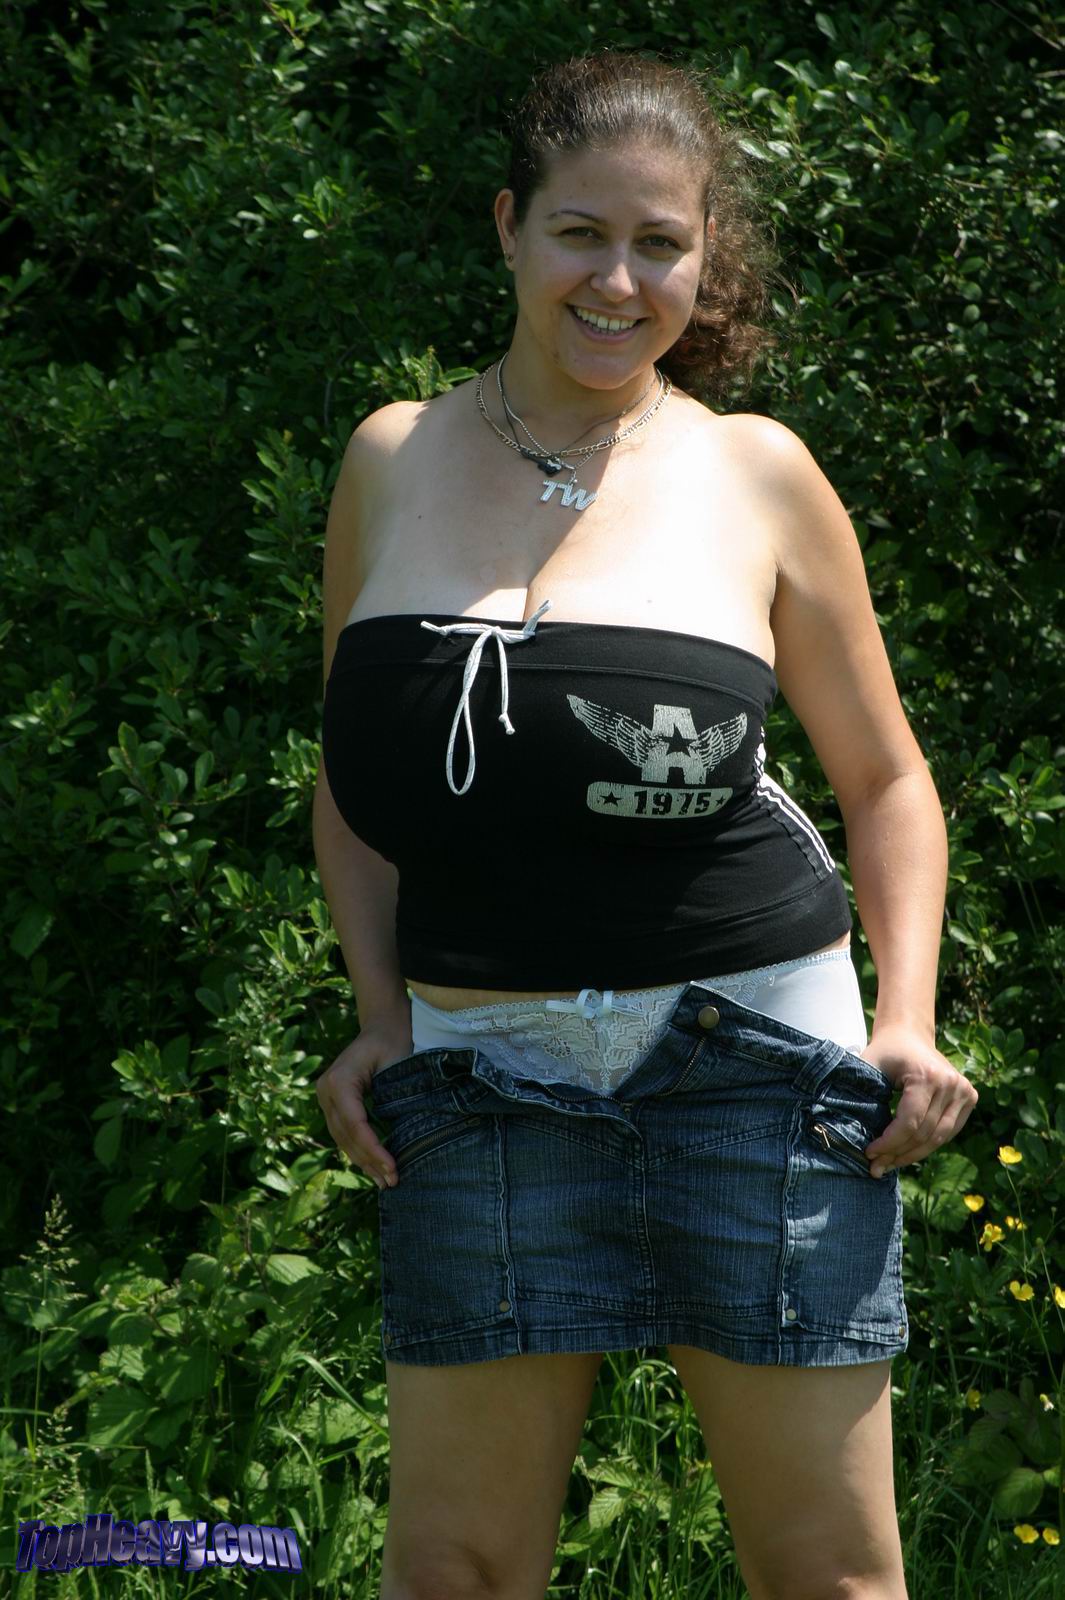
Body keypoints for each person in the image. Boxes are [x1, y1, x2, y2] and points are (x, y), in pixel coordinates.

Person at [313, 47, 978, 1600]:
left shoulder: (756, 473)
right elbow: (351, 780)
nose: (616, 281)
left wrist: (904, 1016)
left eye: (658, 244)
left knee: (827, 1577)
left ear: (700, 259)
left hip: (755, 1064)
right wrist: (379, 1014)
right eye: (579, 233)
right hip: (478, 1069)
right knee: (454, 1570)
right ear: (507, 227)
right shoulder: (390, 458)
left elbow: (885, 780)